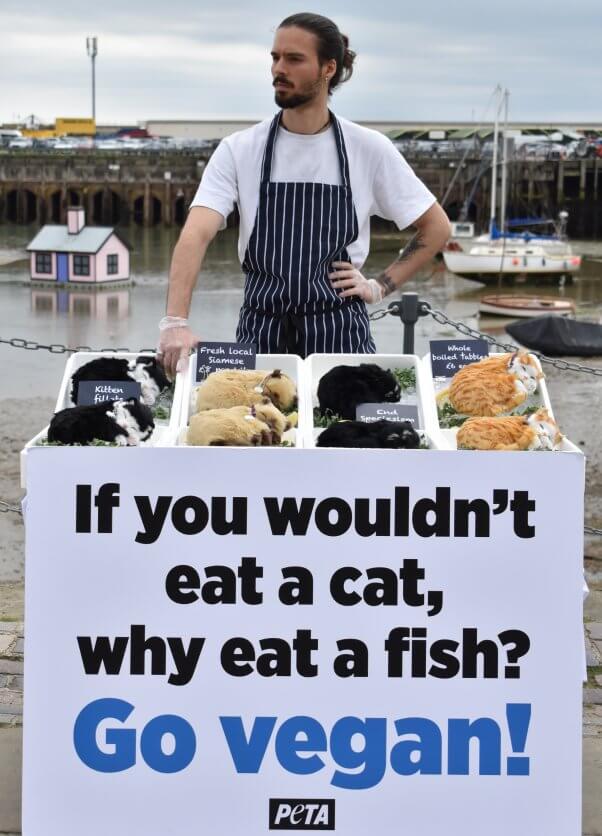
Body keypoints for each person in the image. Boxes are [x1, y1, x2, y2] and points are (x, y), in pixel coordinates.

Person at [159, 12, 450, 377]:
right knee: (258, 432)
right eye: (275, 57)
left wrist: (378, 287)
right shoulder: (240, 149)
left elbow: (436, 227)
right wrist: (174, 322)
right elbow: (195, 234)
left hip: (341, 340)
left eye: (294, 59)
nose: (278, 69)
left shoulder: (368, 148)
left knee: (343, 434)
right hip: (261, 337)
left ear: (329, 68)